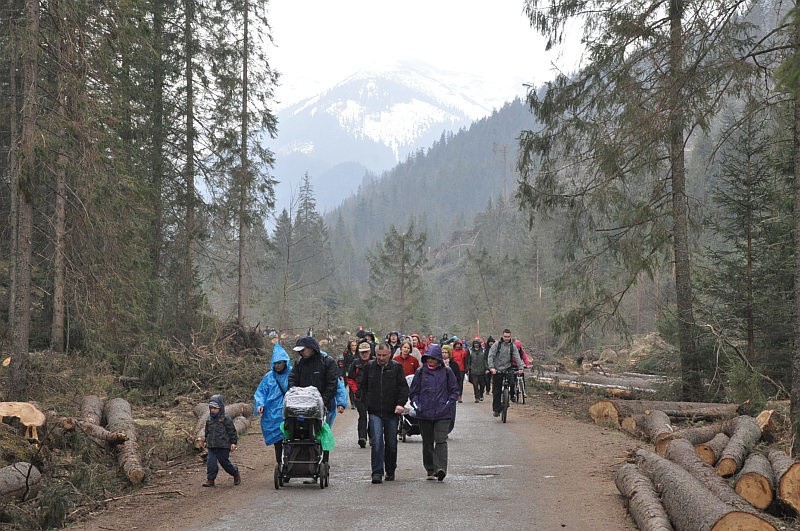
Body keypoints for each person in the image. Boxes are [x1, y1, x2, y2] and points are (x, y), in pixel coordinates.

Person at [358, 343, 409, 484]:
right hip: (374, 411)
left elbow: (403, 388)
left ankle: (390, 469)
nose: (381, 358)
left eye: (384, 355)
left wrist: (400, 404)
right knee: (377, 442)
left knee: (391, 443)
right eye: (379, 355)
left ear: (390, 354)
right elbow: (362, 387)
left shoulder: (397, 367)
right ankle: (377, 472)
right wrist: (364, 403)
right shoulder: (369, 367)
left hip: (392, 412)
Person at [408, 344, 459, 482]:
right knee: (428, 442)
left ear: (438, 359)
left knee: (441, 441)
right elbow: (413, 392)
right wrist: (417, 404)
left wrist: (449, 402)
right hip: (424, 413)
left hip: (443, 413)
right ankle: (430, 469)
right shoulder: (420, 372)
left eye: (433, 358)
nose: (431, 361)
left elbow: (454, 390)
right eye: (428, 358)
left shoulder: (447, 372)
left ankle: (441, 468)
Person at [288, 336, 340, 461]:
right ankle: (297, 461)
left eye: (303, 350)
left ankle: (322, 461)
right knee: (298, 433)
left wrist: (322, 400)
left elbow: (332, 384)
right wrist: (293, 394)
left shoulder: (327, 362)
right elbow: (292, 379)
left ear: (311, 349)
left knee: (321, 433)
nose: (300, 353)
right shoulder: (299, 363)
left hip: (322, 405)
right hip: (300, 406)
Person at [253, 344, 292, 464]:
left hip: (289, 413)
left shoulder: (292, 375)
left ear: (285, 362)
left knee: (290, 440)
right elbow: (260, 393)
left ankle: (289, 464)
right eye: (276, 363)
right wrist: (260, 404)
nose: (278, 365)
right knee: (278, 443)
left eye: (280, 363)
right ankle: (280, 466)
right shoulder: (269, 377)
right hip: (273, 415)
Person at [203, 394, 241, 487]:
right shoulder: (209, 419)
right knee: (211, 463)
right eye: (211, 408)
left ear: (220, 408)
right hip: (212, 445)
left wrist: (233, 442)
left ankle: (235, 472)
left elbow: (232, 431)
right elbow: (207, 430)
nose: (213, 410)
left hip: (223, 445)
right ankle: (210, 479)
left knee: (225, 463)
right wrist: (205, 440)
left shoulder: (225, 418)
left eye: (215, 408)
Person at [487, 329, 524, 417]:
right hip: (497, 369)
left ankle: (511, 396)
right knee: (497, 390)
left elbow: (517, 357)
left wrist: (520, 368)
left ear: (510, 336)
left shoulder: (512, 346)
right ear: (502, 336)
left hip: (508, 368)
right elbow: (490, 356)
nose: (507, 338)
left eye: (508, 337)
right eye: (505, 337)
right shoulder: (497, 345)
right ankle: (496, 409)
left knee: (512, 382)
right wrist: (491, 367)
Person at [347, 341, 373, 448]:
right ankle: (362, 437)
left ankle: (372, 436)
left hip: (372, 394)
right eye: (362, 352)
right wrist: (355, 390)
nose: (364, 354)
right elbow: (350, 378)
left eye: (366, 352)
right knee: (362, 415)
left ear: (370, 352)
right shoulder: (355, 363)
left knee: (373, 416)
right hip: (359, 394)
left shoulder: (375, 362)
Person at [440, 345, 461, 433]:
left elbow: (458, 379)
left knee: (451, 413)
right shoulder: (438, 364)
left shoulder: (454, 365)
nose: (444, 354)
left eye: (446, 352)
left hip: (451, 392)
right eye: (443, 352)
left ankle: (448, 429)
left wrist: (458, 392)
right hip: (440, 392)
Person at [466, 337, 488, 402]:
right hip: (473, 371)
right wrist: (468, 368)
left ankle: (481, 394)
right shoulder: (470, 351)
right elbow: (468, 361)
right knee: (475, 385)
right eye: (475, 343)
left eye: (477, 343)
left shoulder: (483, 351)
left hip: (482, 370)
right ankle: (476, 397)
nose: (476, 344)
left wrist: (487, 368)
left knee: (482, 384)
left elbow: (485, 360)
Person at [341, 338, 359, 408]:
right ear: (350, 346)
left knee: (357, 387)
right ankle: (352, 403)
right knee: (351, 388)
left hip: (357, 372)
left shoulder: (359, 354)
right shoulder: (347, 354)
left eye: (355, 345)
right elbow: (344, 364)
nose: (354, 347)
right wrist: (344, 374)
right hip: (349, 372)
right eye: (353, 345)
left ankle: (357, 401)